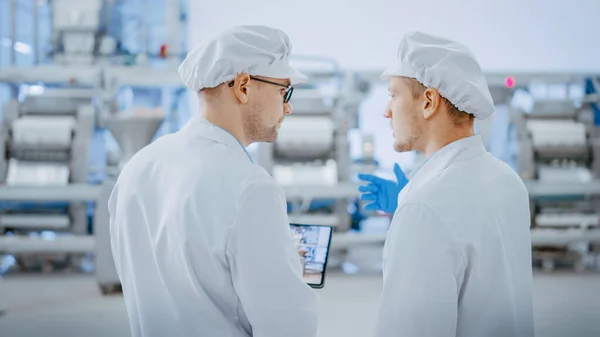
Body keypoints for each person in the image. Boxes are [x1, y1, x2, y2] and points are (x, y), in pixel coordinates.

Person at [108, 25, 319, 337]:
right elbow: (287, 325)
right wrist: (283, 269)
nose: (287, 106)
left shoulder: (138, 168)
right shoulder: (250, 188)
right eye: (283, 91)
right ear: (243, 86)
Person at [358, 31, 534, 337]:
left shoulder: (425, 209)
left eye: (393, 94)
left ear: (428, 102)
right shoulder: (506, 180)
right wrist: (408, 202)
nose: (386, 111)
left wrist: (412, 212)